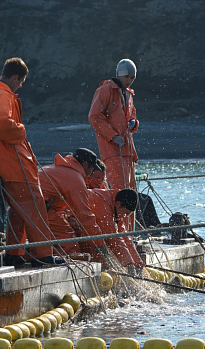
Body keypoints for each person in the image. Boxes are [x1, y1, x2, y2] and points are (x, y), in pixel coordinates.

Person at [0, 57, 63, 267]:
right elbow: (0, 124)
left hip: (4, 165)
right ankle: (44, 255)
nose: (20, 86)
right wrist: (21, 131)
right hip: (15, 166)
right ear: (16, 77)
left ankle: (14, 253)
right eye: (21, 82)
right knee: (35, 208)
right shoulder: (2, 94)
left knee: (18, 212)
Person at [39, 148, 109, 258]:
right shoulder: (76, 179)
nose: (91, 173)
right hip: (40, 207)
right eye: (92, 169)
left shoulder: (58, 169)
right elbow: (85, 216)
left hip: (28, 204)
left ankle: (18, 256)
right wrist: (100, 244)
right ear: (85, 164)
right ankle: (69, 264)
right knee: (67, 237)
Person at [88, 58, 139, 191]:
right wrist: (113, 136)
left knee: (131, 190)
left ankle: (130, 212)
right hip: (112, 149)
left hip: (127, 150)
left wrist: (134, 123)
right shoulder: (105, 90)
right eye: (127, 77)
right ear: (119, 75)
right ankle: (118, 211)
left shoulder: (128, 94)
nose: (129, 80)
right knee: (120, 189)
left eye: (132, 78)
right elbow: (94, 116)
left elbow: (132, 115)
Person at [88, 188, 145, 274]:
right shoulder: (102, 206)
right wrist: (129, 264)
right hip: (68, 222)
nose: (124, 217)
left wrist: (137, 262)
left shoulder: (115, 205)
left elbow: (125, 237)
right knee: (100, 246)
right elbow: (114, 238)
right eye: (125, 213)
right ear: (118, 204)